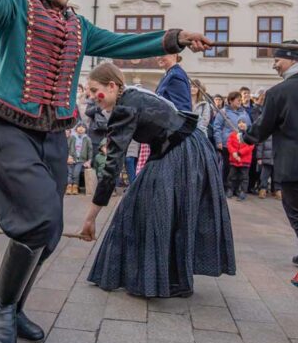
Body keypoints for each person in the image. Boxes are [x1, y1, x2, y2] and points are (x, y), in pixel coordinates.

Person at [0, 0, 209, 343]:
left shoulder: (80, 27)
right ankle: (1, 306)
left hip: (53, 135)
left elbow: (124, 43)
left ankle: (16, 304)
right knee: (38, 221)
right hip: (11, 129)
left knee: (51, 231)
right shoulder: (15, 7)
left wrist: (177, 38)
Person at [83, 63, 234, 297]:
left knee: (161, 210)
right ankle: (152, 275)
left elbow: (112, 166)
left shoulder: (125, 107)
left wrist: (91, 218)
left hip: (181, 149)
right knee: (142, 204)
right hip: (181, 147)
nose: (92, 97)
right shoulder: (131, 95)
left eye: (95, 90)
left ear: (112, 86)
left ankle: (170, 280)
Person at [243, 41, 298, 265]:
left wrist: (246, 137)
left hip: (293, 163)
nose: (274, 65)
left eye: (277, 60)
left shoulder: (278, 92)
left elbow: (263, 126)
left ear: (291, 59)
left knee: (297, 210)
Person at [214, 91, 251, 196]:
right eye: (238, 100)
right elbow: (217, 127)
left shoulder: (244, 113)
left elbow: (249, 127)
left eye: (240, 100)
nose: (240, 102)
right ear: (231, 100)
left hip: (241, 145)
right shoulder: (223, 112)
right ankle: (226, 188)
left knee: (240, 169)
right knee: (228, 168)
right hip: (227, 145)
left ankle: (237, 189)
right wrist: (219, 141)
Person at [226, 121, 253, 201]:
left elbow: (250, 146)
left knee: (244, 177)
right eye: (239, 122)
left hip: (245, 160)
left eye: (244, 122)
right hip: (234, 159)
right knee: (232, 176)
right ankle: (230, 189)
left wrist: (239, 153)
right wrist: (234, 153)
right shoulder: (233, 134)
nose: (241, 124)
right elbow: (229, 144)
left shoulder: (249, 135)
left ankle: (242, 192)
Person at [66, 123, 92, 195]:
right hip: (71, 159)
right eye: (79, 127)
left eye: (83, 127)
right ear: (76, 129)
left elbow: (90, 150)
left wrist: (89, 161)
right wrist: (68, 156)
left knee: (76, 173)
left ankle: (75, 186)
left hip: (81, 160)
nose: (81, 128)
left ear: (86, 129)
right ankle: (69, 186)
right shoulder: (72, 137)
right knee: (69, 173)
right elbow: (67, 147)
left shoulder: (87, 139)